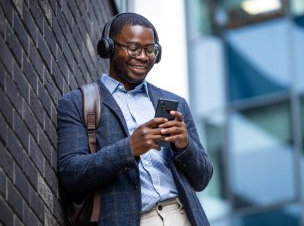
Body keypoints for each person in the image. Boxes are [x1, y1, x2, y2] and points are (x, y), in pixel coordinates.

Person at [57, 12, 213, 226]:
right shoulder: (78, 102)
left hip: (183, 216)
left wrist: (185, 146)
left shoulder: (173, 102)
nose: (143, 56)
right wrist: (129, 148)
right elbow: (71, 173)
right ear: (109, 48)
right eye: (133, 48)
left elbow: (203, 178)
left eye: (150, 50)